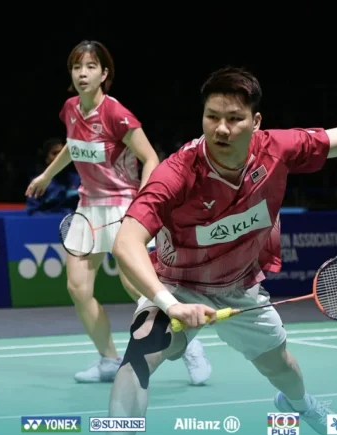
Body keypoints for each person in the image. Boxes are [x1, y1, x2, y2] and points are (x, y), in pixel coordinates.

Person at [63, 66, 337, 435]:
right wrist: (170, 304)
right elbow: (126, 242)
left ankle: (300, 404)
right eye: (212, 117)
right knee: (139, 353)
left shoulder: (277, 149)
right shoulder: (177, 172)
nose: (221, 129)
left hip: (241, 287)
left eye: (234, 119)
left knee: (282, 367)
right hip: (177, 285)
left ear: (255, 121)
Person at [26, 40, 212, 385]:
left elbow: (150, 157)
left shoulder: (116, 114)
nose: (83, 74)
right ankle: (109, 359)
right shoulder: (70, 108)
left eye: (90, 67)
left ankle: (186, 343)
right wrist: (47, 175)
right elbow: (73, 146)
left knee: (135, 285)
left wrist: (143, 201)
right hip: (88, 206)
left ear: (104, 73)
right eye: (77, 67)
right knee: (77, 288)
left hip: (122, 203)